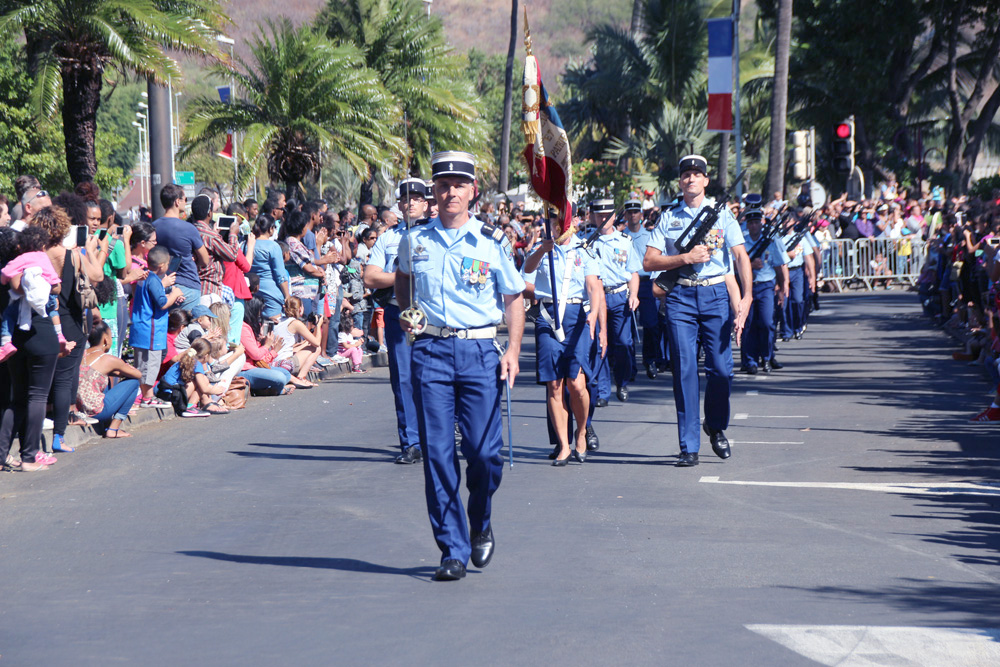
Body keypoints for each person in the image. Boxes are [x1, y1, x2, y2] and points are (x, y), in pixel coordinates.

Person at [396, 151, 525, 581]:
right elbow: (402, 281)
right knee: (437, 453)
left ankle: (480, 518)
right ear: (433, 191)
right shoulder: (415, 240)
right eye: (443, 184)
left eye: (458, 184)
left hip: (480, 351)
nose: (450, 191)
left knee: (485, 453)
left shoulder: (491, 241)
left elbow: (513, 298)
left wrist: (512, 351)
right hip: (430, 351)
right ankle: (452, 548)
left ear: (472, 191)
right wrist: (410, 316)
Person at [643, 155, 752, 467]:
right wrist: (684, 258)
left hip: (716, 293)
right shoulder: (668, 217)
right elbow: (649, 263)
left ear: (706, 180)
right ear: (680, 181)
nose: (691, 179)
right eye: (686, 174)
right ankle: (688, 445)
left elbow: (741, 257)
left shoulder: (722, 214)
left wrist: (746, 297)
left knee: (721, 370)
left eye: (697, 174)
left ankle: (715, 425)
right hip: (680, 297)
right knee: (685, 372)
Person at [523, 206, 605, 465]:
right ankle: (563, 445)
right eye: (551, 221)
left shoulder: (584, 249)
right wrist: (541, 250)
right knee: (554, 384)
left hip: (575, 316)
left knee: (577, 383)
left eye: (559, 222)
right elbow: (525, 271)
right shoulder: (542, 246)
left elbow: (593, 285)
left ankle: (581, 432)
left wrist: (593, 313)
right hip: (548, 318)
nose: (555, 226)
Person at [364, 177, 427, 465]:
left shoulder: (436, 234)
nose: (410, 202)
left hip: (432, 315)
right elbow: (370, 276)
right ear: (399, 204)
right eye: (406, 198)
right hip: (397, 311)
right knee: (402, 379)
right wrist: (404, 278)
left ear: (426, 203)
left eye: (417, 198)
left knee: (435, 376)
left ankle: (438, 433)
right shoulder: (389, 238)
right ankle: (411, 442)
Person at [590, 199, 640, 403]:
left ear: (613, 217)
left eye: (607, 215)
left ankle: (622, 381)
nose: (603, 219)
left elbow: (634, 273)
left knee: (623, 342)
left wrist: (634, 295)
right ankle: (602, 391)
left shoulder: (624, 241)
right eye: (599, 215)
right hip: (596, 297)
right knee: (599, 343)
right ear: (593, 217)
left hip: (619, 295)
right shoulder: (587, 242)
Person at [130, 244, 184, 407]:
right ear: (162, 266)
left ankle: (145, 395)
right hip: (151, 329)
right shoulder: (153, 280)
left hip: (142, 327)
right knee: (149, 364)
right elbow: (161, 303)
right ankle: (147, 397)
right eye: (167, 263)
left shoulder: (146, 276)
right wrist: (173, 294)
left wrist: (169, 295)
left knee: (143, 363)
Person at [740, 205, 789, 375]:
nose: (753, 226)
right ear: (747, 224)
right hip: (747, 287)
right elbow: (734, 266)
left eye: (756, 222)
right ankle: (750, 361)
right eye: (750, 222)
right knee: (749, 324)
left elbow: (778, 266)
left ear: (761, 223)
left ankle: (767, 357)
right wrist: (749, 264)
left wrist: (782, 289)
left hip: (766, 286)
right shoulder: (742, 242)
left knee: (768, 322)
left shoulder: (770, 242)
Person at [77, 322, 142, 439]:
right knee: (134, 382)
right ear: (106, 339)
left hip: (79, 410)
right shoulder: (107, 359)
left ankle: (107, 424)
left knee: (104, 378)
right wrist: (119, 369)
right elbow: (137, 374)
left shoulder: (81, 354)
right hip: (96, 412)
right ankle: (113, 429)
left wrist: (111, 371)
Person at [624, 198, 666, 379]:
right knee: (628, 327)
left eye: (636, 212)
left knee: (651, 324)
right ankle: (629, 364)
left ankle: (649, 360)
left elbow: (657, 260)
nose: (633, 215)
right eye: (629, 212)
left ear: (641, 215)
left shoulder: (650, 236)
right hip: (626, 284)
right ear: (625, 215)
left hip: (647, 282)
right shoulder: (620, 237)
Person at [153, 184, 210, 312]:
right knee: (189, 329)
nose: (186, 202)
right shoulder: (189, 228)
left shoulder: (153, 227)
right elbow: (205, 260)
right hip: (188, 286)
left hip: (163, 284)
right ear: (177, 201)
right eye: (185, 199)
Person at [237, 296, 296, 396]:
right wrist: (267, 345)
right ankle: (276, 390)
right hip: (245, 370)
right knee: (280, 377)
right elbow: (256, 355)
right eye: (259, 311)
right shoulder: (243, 327)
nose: (260, 314)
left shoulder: (250, 326)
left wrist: (271, 349)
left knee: (286, 374)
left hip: (254, 367)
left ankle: (264, 389)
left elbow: (262, 360)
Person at [272, 296, 322, 388]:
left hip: (275, 361)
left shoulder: (279, 320)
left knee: (306, 344)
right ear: (300, 309)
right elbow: (317, 342)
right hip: (285, 363)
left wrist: (304, 344)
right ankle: (301, 378)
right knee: (317, 348)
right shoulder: (295, 323)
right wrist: (319, 326)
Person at [248, 216, 289, 319]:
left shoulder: (247, 244)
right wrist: (287, 295)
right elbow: (280, 275)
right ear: (270, 229)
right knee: (272, 328)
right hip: (271, 293)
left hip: (252, 291)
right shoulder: (273, 246)